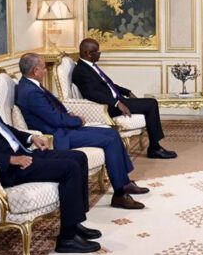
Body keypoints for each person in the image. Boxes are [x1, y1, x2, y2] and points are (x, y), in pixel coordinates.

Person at [0, 67, 101, 253]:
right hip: (6, 168)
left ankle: (74, 222)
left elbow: (4, 128)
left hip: (22, 153)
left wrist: (31, 138)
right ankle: (67, 239)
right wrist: (10, 159)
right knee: (70, 168)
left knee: (79, 157)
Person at [15, 53, 149, 210]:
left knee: (112, 132)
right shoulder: (30, 92)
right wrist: (78, 120)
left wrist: (68, 115)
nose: (45, 71)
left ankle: (124, 183)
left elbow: (53, 111)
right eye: (44, 68)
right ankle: (120, 194)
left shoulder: (30, 85)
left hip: (63, 128)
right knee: (109, 140)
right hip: (58, 135)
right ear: (35, 71)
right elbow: (54, 119)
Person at [72, 38, 177, 159]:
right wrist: (117, 103)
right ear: (88, 53)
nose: (100, 53)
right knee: (151, 104)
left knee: (150, 103)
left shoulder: (90, 66)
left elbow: (109, 85)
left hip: (116, 101)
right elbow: (92, 94)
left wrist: (127, 92)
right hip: (107, 106)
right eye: (97, 51)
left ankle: (155, 147)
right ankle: (155, 148)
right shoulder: (81, 71)